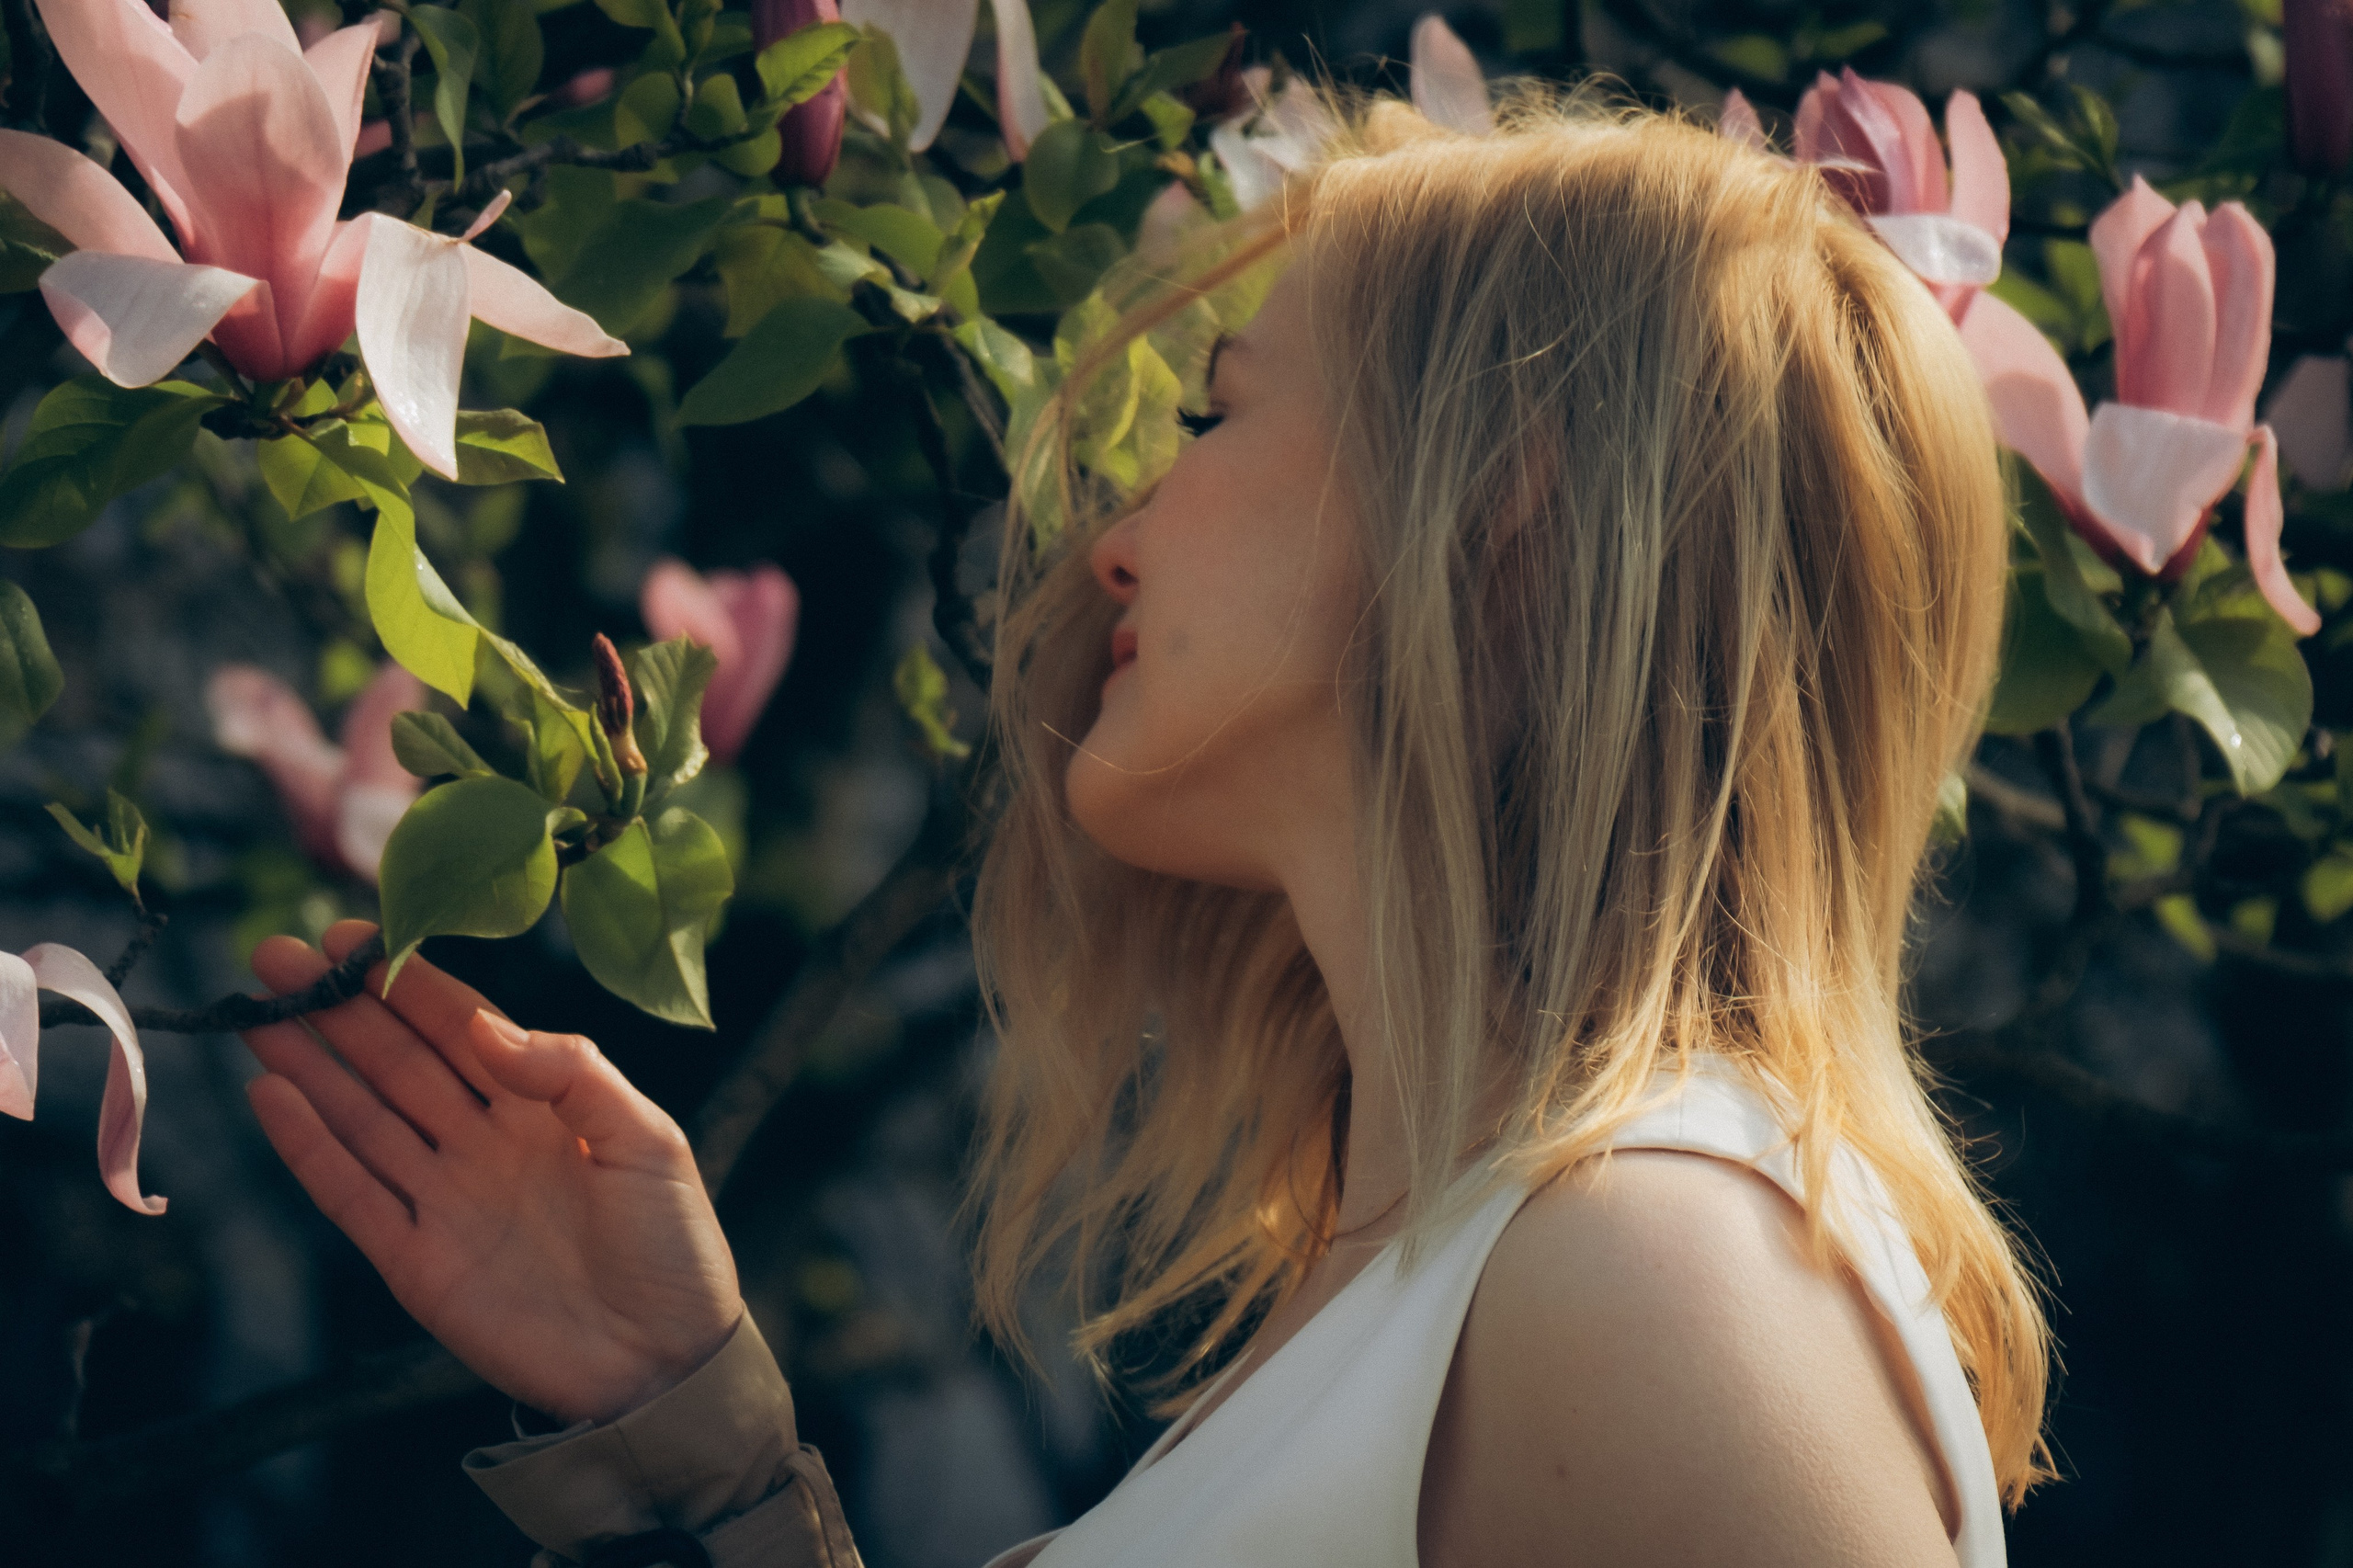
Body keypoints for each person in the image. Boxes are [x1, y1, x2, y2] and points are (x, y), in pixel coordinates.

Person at [237, 86, 2053, 1568]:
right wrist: (706, 1449)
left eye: (1220, 412)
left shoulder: (1646, 1276)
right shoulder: (1452, 1279)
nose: (1119, 528)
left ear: (1501, 509)